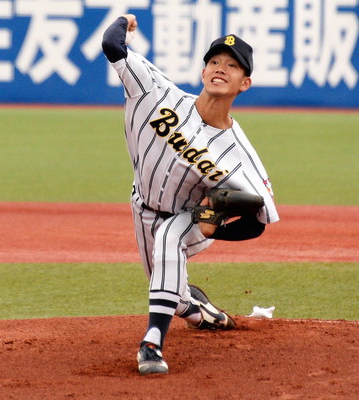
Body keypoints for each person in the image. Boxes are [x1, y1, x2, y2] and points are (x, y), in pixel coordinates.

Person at [101, 14, 279, 375]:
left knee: (171, 236)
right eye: (214, 62)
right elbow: (112, 45)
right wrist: (123, 21)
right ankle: (198, 311)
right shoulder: (156, 93)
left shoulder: (240, 157)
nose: (220, 68)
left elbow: (258, 220)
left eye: (232, 66)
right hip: (142, 207)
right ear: (202, 72)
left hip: (191, 219)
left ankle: (151, 344)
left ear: (244, 83)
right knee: (170, 294)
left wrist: (219, 230)